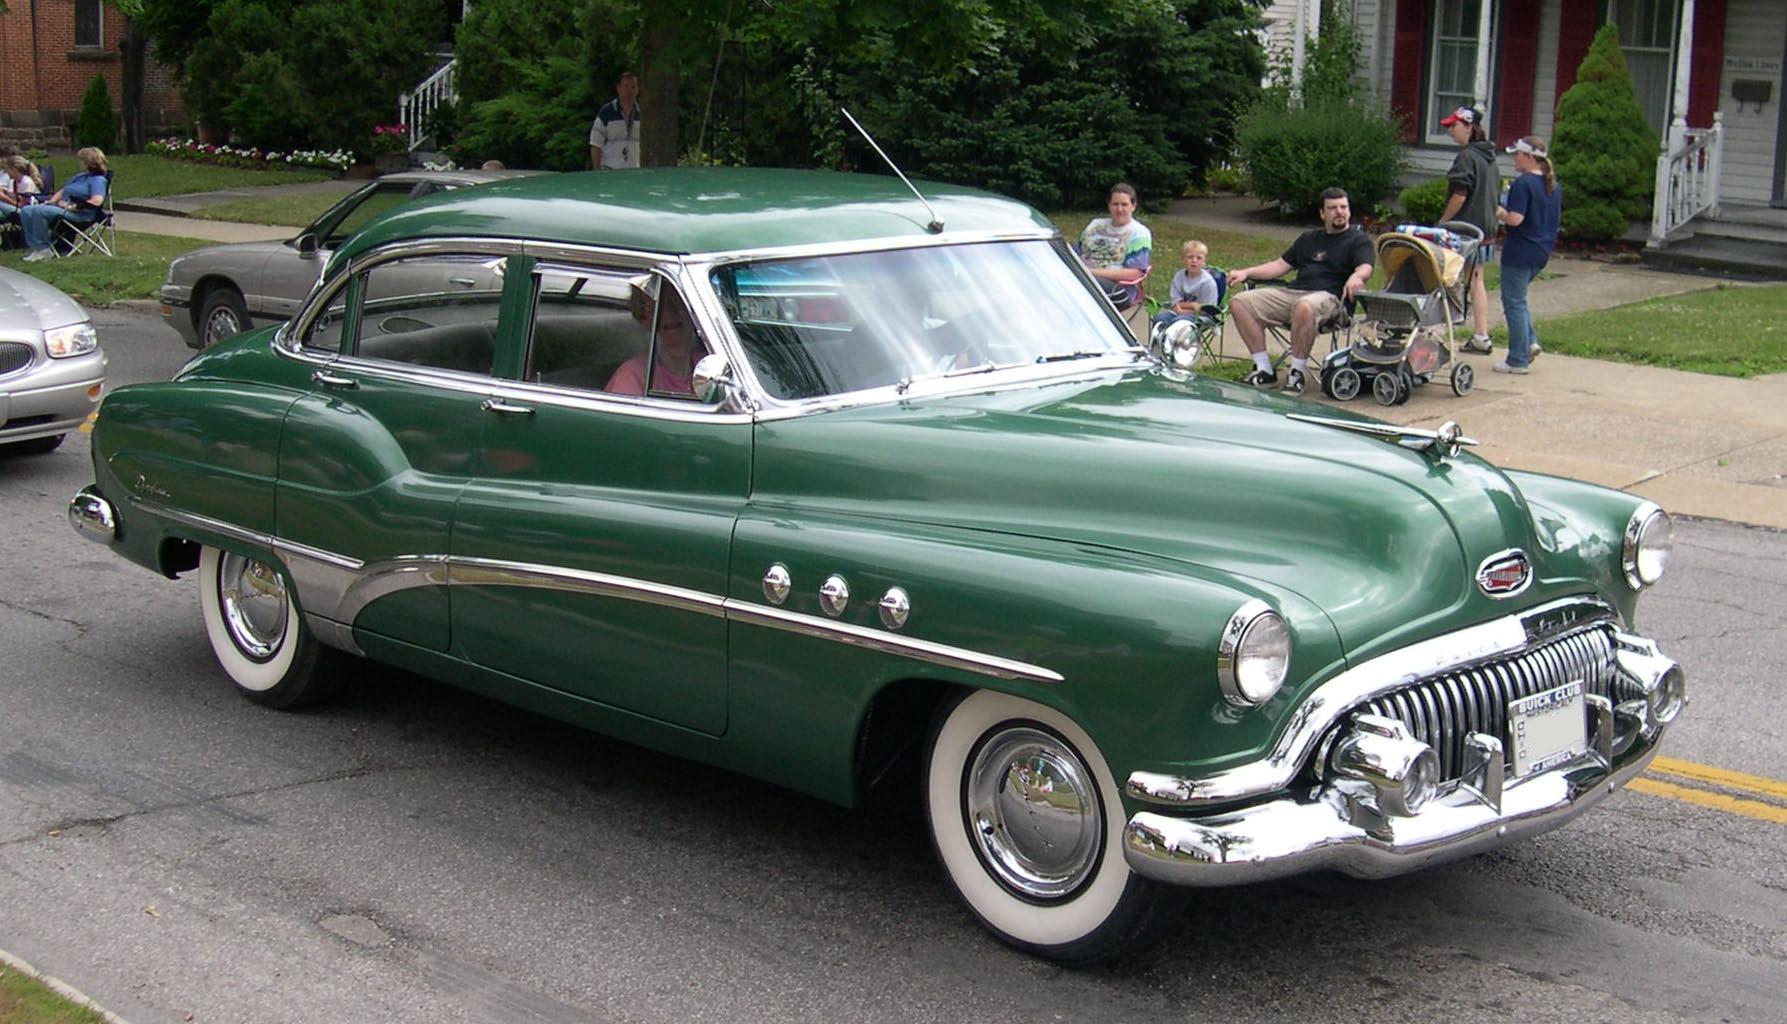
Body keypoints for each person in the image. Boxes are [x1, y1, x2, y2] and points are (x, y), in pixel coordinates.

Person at [1225, 187, 1374, 395]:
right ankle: (1264, 370)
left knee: (1304, 306)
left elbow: (1365, 267)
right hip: (1295, 294)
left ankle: (1296, 373)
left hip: (1332, 301)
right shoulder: (1308, 239)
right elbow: (1279, 266)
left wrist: (1357, 277)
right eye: (1333, 208)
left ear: (1349, 211)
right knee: (1240, 302)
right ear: (1323, 213)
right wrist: (1245, 272)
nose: (1339, 212)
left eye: (1343, 207)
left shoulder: (1358, 240)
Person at [1492, 136, 1561, 375]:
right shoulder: (1552, 184)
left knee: (1513, 302)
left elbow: (1515, 219)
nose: (1514, 158)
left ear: (1529, 157)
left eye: (1517, 154)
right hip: (1541, 250)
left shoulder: (1523, 184)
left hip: (1519, 250)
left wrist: (1498, 211)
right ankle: (1530, 342)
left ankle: (1517, 359)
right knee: (1519, 299)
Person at [1436, 105, 1499, 353]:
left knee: (1448, 278)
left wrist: (1443, 222)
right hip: (1485, 230)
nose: (1451, 131)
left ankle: (1444, 331)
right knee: (1476, 281)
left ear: (1469, 127)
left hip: (1465, 230)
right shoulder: (1489, 157)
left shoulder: (1467, 157)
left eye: (1454, 126)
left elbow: (1460, 195)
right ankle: (1480, 335)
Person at [1075, 183, 1151, 339]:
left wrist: (1092, 273)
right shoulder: (1095, 225)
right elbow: (1075, 252)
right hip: (1083, 278)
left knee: (1082, 294)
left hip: (1119, 289)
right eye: (1115, 204)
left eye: (1124, 204)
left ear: (1133, 206)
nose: (1120, 209)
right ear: (1109, 205)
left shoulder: (1139, 233)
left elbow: (1134, 273)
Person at [606, 287, 707, 396]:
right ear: (644, 318)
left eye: (677, 301)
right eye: (658, 307)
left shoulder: (710, 364)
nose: (669, 313)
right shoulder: (632, 375)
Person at [20, 147, 107, 262]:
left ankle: (44, 249)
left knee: (38, 211)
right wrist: (50, 202)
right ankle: (36, 248)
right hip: (61, 209)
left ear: (88, 162)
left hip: (79, 214)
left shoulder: (98, 180)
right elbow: (63, 191)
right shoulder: (79, 177)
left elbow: (97, 200)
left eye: (81, 160)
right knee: (26, 210)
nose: (79, 163)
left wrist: (70, 207)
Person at [1151, 240, 1219, 333]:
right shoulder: (1179, 277)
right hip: (1177, 312)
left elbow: (1207, 310)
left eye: (1199, 258)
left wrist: (1183, 310)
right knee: (1160, 318)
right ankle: (1160, 344)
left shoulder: (1207, 282)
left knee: (1179, 322)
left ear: (1204, 262)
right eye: (1190, 257)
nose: (1194, 260)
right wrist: (1192, 305)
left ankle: (1180, 346)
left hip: (1201, 317)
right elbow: (1175, 303)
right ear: (1183, 259)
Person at [589, 71, 641, 170]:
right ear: (618, 88)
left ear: (638, 90)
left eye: (633, 87)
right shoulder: (606, 112)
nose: (630, 91)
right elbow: (595, 144)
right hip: (610, 170)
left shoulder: (642, 113)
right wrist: (597, 172)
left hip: (634, 170)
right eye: (626, 87)